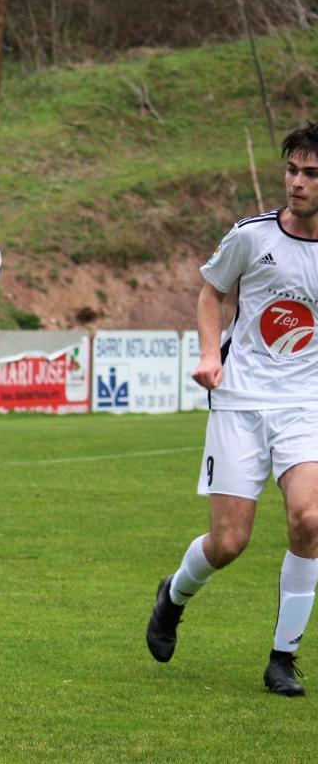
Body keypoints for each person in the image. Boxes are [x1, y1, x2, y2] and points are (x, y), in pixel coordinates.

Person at [146, 122, 318, 696]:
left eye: (310, 174)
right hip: (241, 399)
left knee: (310, 520)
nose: (297, 183)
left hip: (305, 404)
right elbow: (211, 291)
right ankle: (173, 596)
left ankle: (282, 657)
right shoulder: (252, 236)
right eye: (292, 170)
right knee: (229, 543)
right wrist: (207, 356)